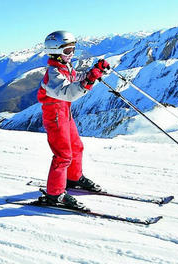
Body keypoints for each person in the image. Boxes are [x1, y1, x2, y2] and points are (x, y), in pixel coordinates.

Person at [37, 30, 110, 208]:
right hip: (54, 116)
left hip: (65, 114)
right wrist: (89, 81)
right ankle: (55, 195)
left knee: (77, 147)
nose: (72, 54)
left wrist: (94, 71)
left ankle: (73, 177)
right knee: (63, 155)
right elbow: (69, 93)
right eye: (68, 51)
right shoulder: (53, 74)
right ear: (55, 52)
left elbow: (76, 77)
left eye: (73, 50)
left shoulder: (65, 67)